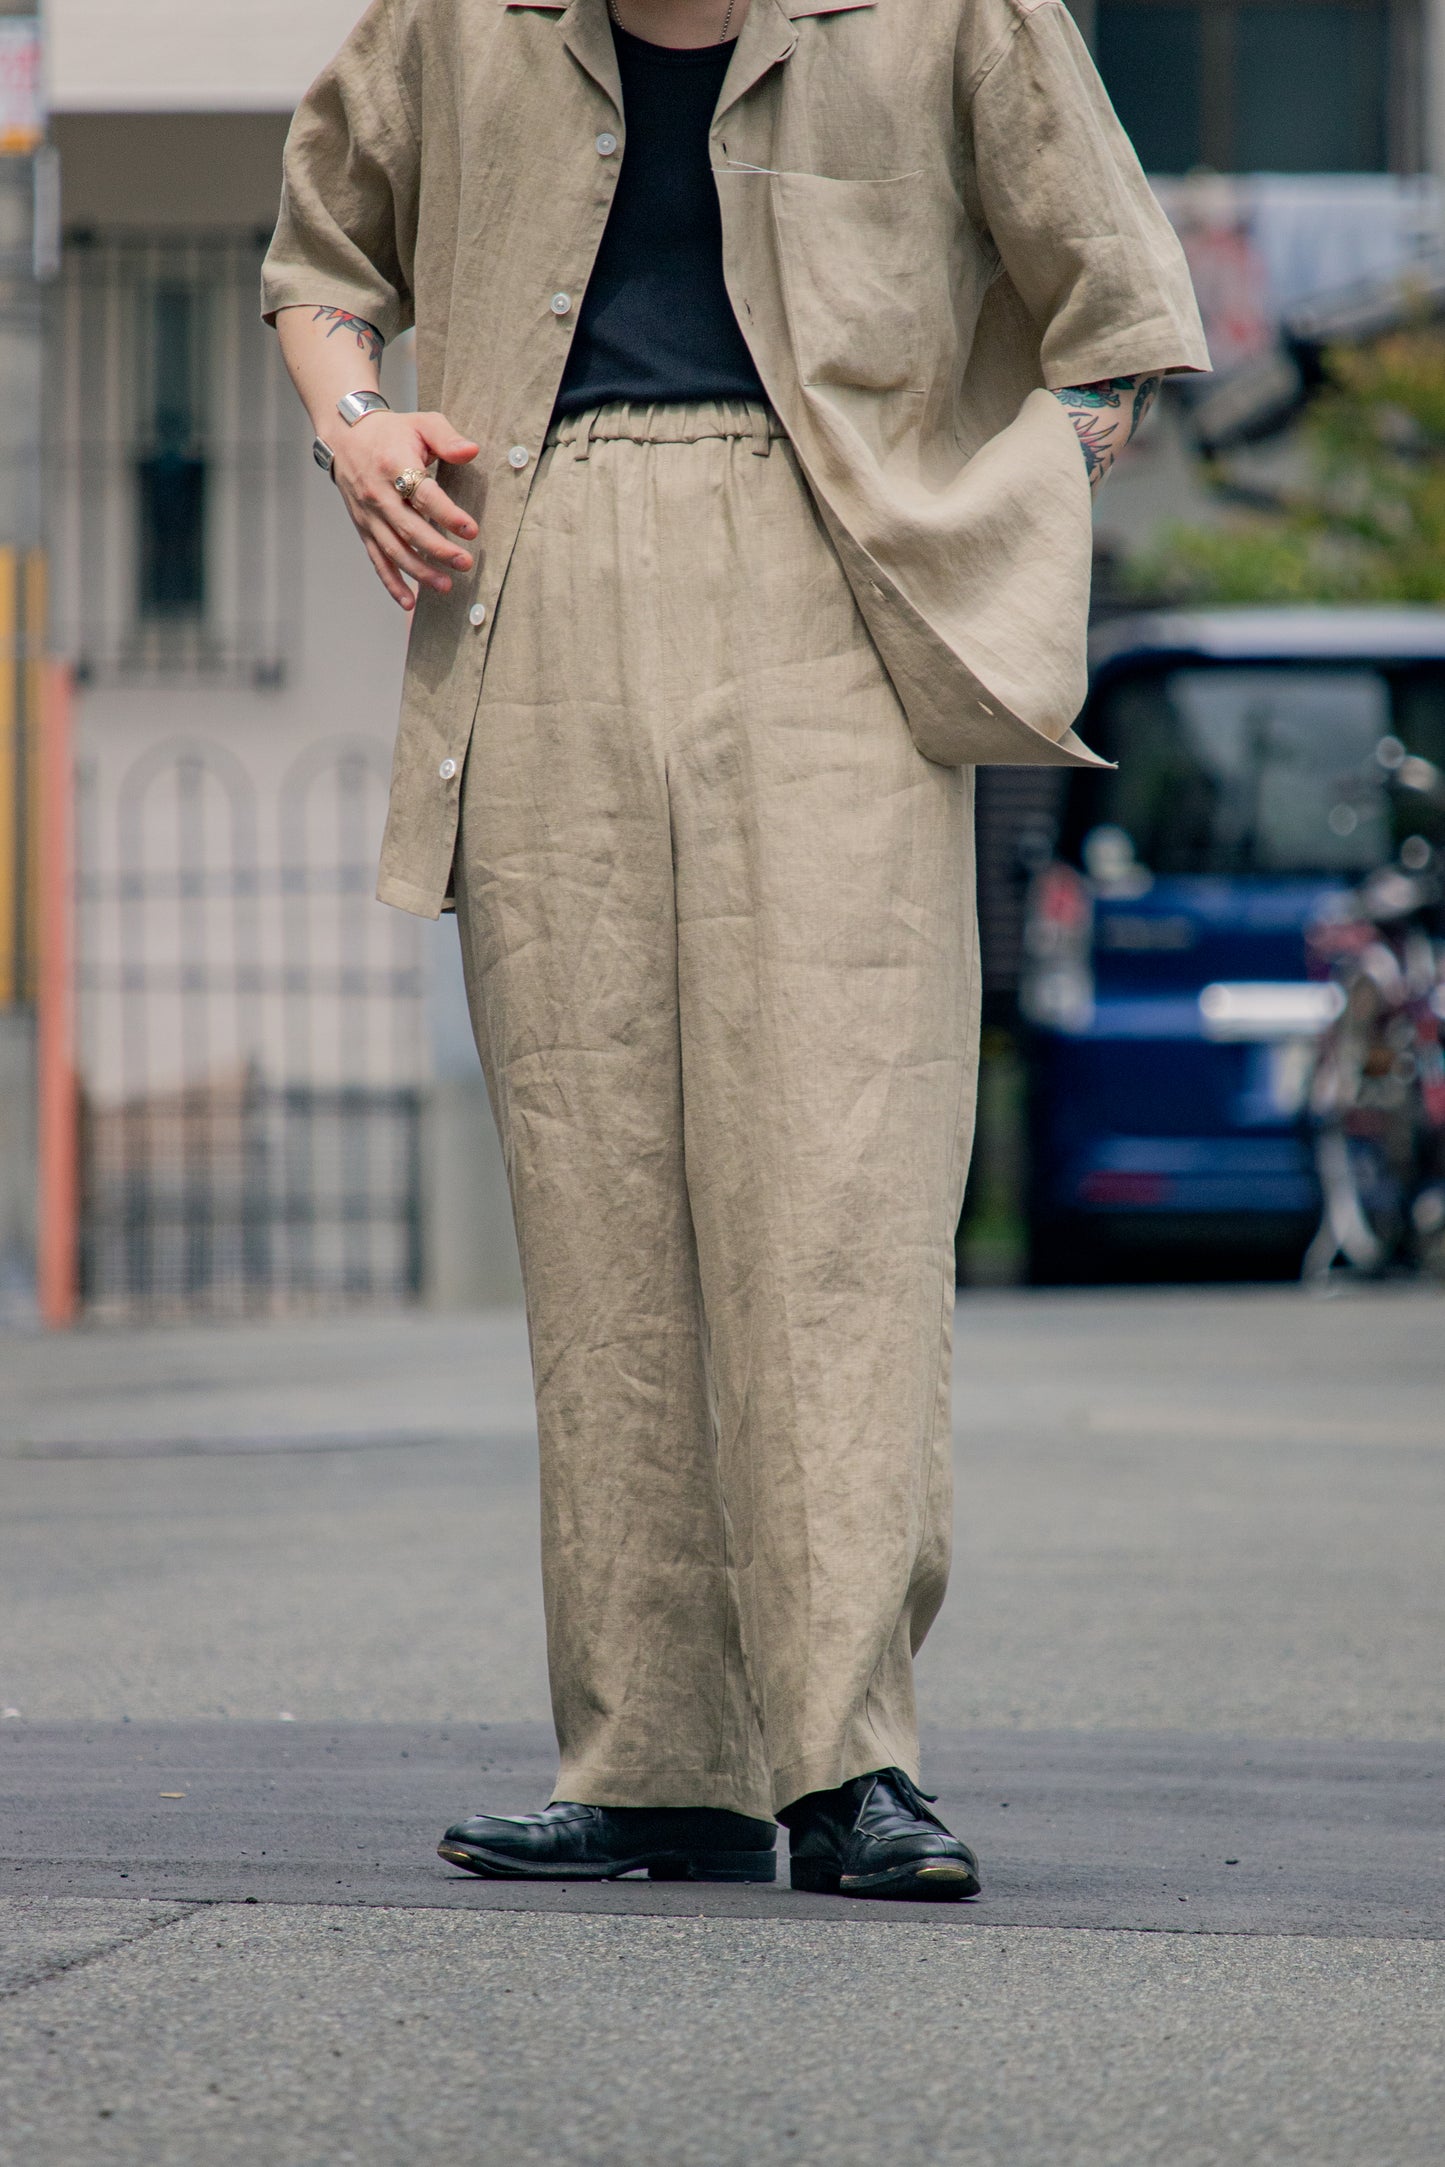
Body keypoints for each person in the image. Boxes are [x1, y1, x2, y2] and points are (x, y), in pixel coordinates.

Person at [264, 0, 1206, 1901]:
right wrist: (355, 426)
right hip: (537, 590)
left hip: (832, 593)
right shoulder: (462, 18)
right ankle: (656, 1762)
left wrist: (995, 505)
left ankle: (847, 1758)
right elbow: (320, 258)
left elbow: (1116, 315)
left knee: (832, 1190)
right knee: (596, 1190)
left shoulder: (952, 10)